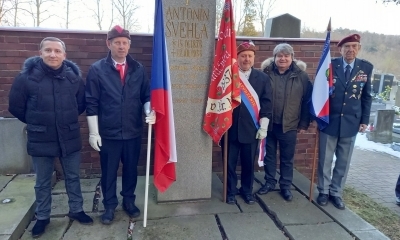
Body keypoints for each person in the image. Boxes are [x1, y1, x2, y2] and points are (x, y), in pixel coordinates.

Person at [8, 37, 93, 238]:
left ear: (64, 55)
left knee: (73, 177)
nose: (52, 54)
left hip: (69, 136)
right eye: (48, 50)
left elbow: (80, 103)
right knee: (43, 181)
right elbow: (16, 107)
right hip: (40, 138)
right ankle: (43, 216)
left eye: (57, 51)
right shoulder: (26, 78)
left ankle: (77, 209)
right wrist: (37, 121)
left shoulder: (73, 77)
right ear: (40, 53)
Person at [85, 25, 155, 224]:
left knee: (131, 169)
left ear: (129, 45)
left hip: (133, 131)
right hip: (109, 133)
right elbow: (91, 102)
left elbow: (145, 95)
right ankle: (109, 206)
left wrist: (149, 111)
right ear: (109, 44)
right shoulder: (97, 69)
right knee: (108, 171)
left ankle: (129, 201)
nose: (121, 46)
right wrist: (93, 132)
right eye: (117, 43)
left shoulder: (138, 69)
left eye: (125, 43)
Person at [316, 34, 373, 210]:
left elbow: (366, 96)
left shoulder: (366, 67)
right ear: (340, 49)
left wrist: (364, 120)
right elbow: (320, 92)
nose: (351, 50)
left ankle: (336, 193)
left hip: (351, 122)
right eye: (347, 47)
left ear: (359, 48)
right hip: (330, 121)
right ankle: (323, 191)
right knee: (325, 159)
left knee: (343, 161)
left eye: (354, 46)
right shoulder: (330, 65)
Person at [257, 43, 313, 201]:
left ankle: (285, 186)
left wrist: (303, 123)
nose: (283, 58)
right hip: (269, 124)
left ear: (292, 57)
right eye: (279, 56)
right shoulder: (265, 73)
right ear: (274, 58)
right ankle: (269, 182)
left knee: (287, 158)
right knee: (269, 156)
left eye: (286, 55)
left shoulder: (301, 76)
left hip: (289, 125)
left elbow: (307, 100)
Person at [225, 41, 272, 205]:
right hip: (230, 129)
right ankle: (230, 191)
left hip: (252, 129)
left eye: (250, 56)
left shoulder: (263, 78)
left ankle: (247, 191)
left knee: (248, 164)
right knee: (229, 164)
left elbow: (267, 103)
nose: (246, 59)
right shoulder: (229, 76)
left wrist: (264, 126)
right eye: (243, 56)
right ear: (237, 57)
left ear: (254, 58)